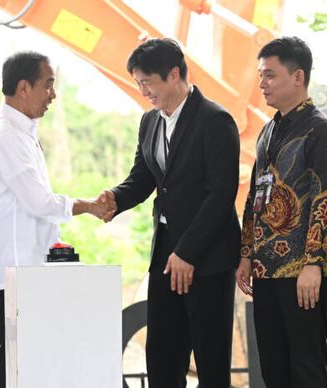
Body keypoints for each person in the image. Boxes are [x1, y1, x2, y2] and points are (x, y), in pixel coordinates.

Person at [99, 38, 241, 387]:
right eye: (138, 83)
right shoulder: (150, 122)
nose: (143, 91)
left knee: (210, 357)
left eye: (147, 82)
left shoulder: (216, 120)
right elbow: (143, 178)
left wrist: (187, 252)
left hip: (207, 255)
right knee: (162, 352)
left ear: (174, 73)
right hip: (165, 252)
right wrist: (115, 199)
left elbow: (221, 194)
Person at [0, 51, 113, 388]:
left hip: (34, 269)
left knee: (33, 360)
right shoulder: (7, 135)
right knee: (15, 362)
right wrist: (89, 207)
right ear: (24, 87)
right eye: (48, 85)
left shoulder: (24, 131)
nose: (53, 95)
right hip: (19, 270)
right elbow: (39, 202)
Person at [235, 36, 327, 388]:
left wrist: (314, 263)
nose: (262, 84)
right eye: (260, 76)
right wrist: (247, 255)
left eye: (270, 75)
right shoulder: (268, 131)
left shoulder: (322, 131)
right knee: (274, 371)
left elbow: (326, 202)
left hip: (304, 273)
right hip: (266, 271)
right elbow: (256, 196)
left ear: (298, 77)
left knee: (307, 369)